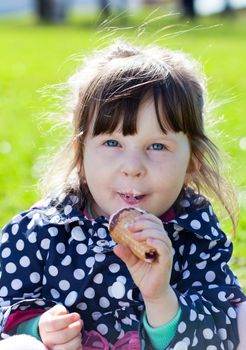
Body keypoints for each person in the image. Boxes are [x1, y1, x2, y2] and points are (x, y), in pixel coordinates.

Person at [0, 40, 245, 350]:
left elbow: (221, 332)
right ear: (81, 152)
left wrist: (160, 299)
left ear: (192, 161)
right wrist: (38, 329)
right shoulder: (41, 231)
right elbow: (7, 305)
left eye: (157, 146)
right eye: (112, 143)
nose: (133, 168)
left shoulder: (194, 235)